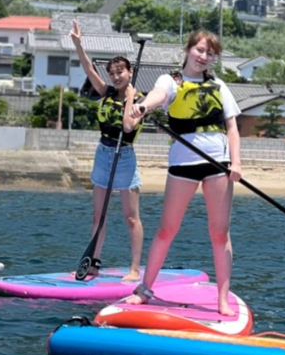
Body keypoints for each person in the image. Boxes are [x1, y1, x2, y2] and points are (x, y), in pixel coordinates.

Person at [121, 30, 242, 315]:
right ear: (188, 50)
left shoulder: (220, 86)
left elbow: (233, 127)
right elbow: (158, 96)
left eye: (210, 54)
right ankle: (145, 289)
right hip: (182, 164)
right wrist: (142, 107)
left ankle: (222, 299)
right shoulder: (171, 80)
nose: (204, 57)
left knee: (219, 232)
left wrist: (236, 163)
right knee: (167, 229)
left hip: (217, 163)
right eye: (200, 50)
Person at [70, 19, 143, 281]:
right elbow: (88, 68)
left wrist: (132, 97)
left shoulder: (141, 101)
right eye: (112, 73)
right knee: (98, 216)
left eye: (120, 71)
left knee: (130, 217)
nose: (115, 76)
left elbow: (127, 125)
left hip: (124, 158)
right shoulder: (107, 92)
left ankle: (135, 269)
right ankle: (93, 263)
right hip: (103, 154)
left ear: (129, 71)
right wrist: (78, 44)